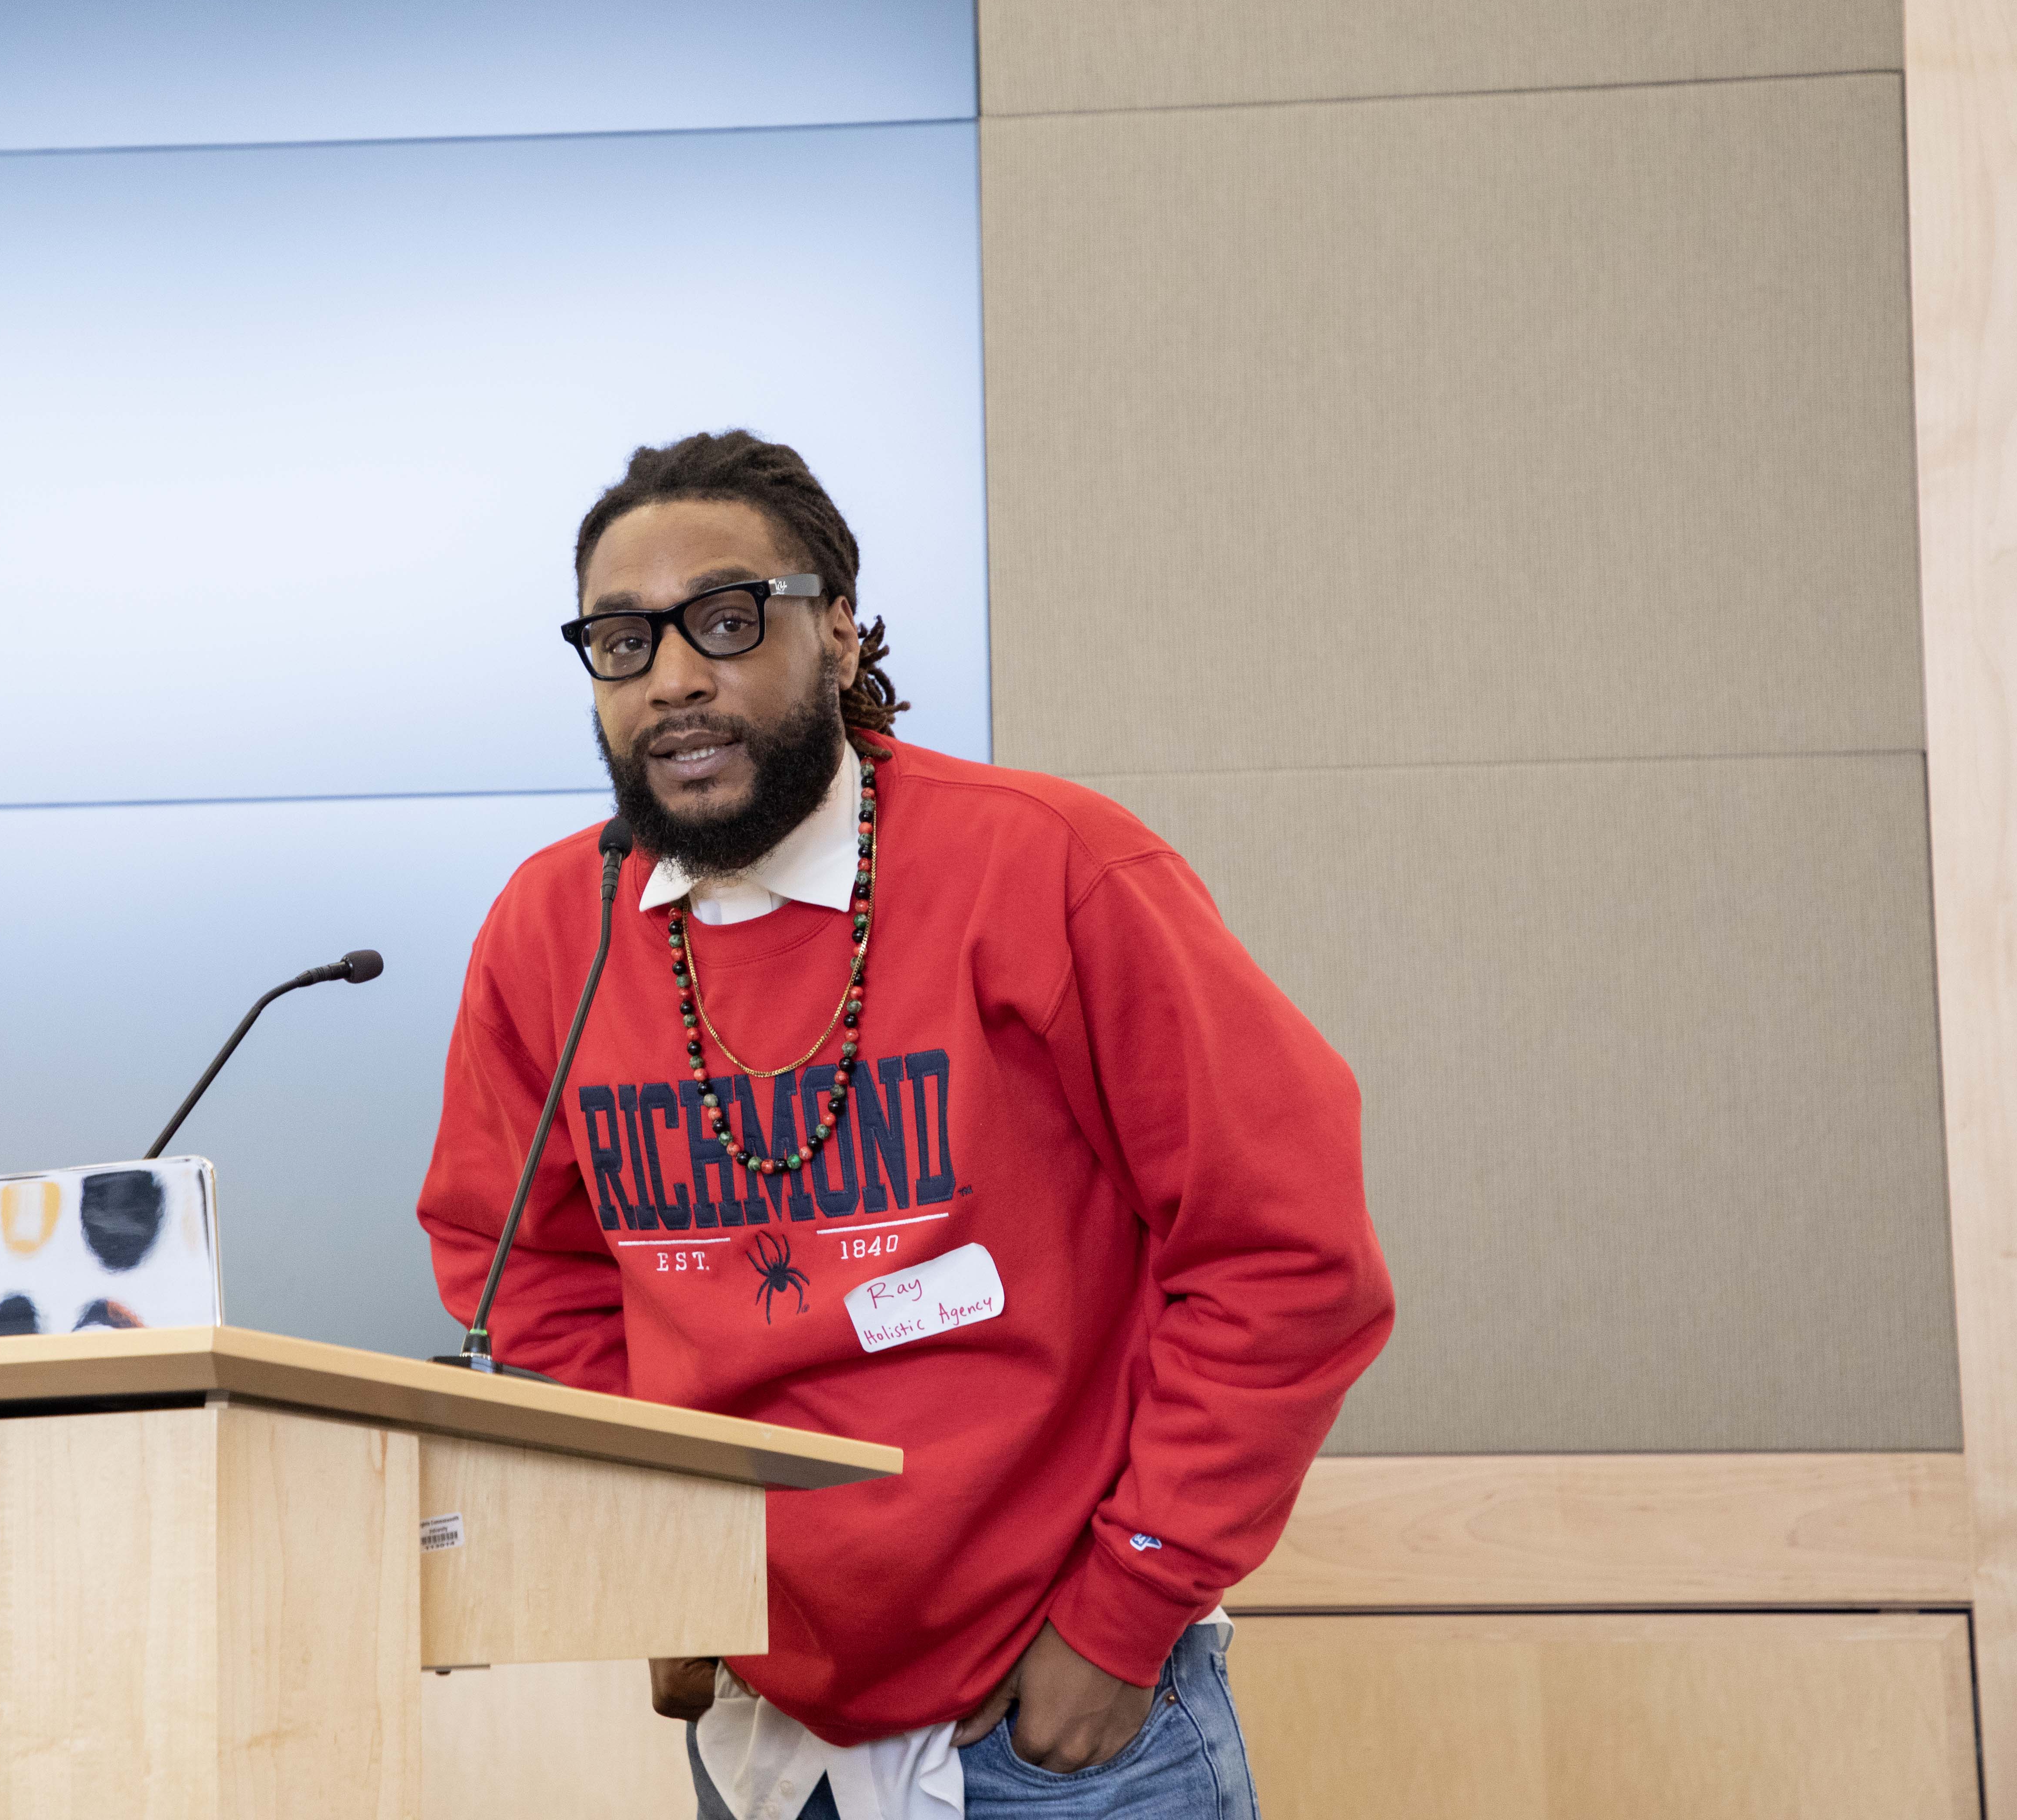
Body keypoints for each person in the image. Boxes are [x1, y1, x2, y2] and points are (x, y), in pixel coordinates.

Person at [417, 431, 1393, 1819]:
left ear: (839, 630)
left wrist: (1125, 1614)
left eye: (729, 619)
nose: (675, 675)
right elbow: (527, 1275)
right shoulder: (544, 934)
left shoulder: (1054, 869)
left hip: (1068, 1736)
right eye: (623, 641)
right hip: (764, 1740)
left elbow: (1287, 1258)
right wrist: (655, 1556)